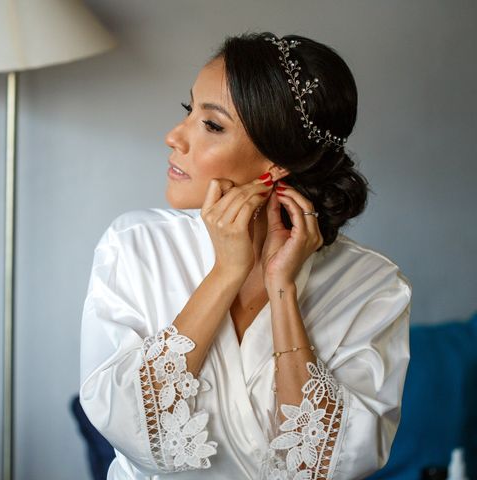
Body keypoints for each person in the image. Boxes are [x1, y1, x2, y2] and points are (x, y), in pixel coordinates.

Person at [79, 31, 412, 480]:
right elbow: (123, 425)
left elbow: (325, 467)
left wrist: (282, 290)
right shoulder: (136, 244)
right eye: (188, 110)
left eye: (211, 125)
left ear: (275, 164)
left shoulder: (372, 285)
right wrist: (226, 273)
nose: (174, 137)